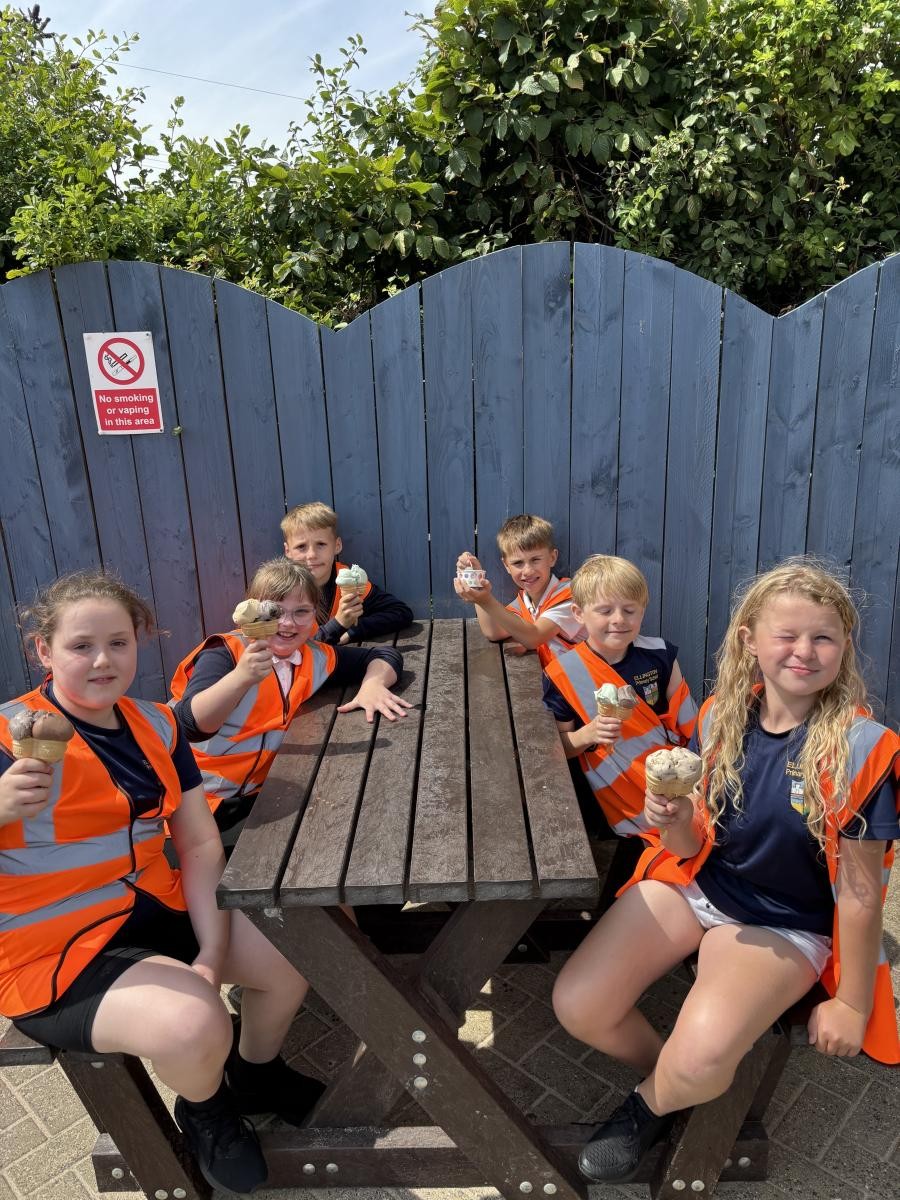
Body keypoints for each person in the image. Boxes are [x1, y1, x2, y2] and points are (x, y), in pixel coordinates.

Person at [551, 558, 900, 1184]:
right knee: (581, 1005)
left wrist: (852, 1002)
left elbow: (862, 893)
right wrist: (672, 816)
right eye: (786, 635)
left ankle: (651, 1104)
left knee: (703, 1059)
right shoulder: (720, 717)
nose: (804, 651)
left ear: (844, 647)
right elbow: (688, 844)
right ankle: (679, 1076)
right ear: (750, 641)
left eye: (823, 637)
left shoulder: (861, 747)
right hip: (701, 885)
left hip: (784, 922)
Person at [0, 570, 328, 1194]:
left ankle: (255, 1075)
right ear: (43, 650)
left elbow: (200, 842)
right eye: (80, 645)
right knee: (195, 1022)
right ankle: (206, 1110)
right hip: (50, 953)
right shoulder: (6, 734)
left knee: (294, 954)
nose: (103, 660)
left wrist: (210, 948)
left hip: (156, 906)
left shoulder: (156, 725)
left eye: (119, 643)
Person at [170, 558, 410, 846]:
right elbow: (191, 725)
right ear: (251, 613)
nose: (287, 623)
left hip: (259, 795)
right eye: (274, 612)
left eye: (301, 612)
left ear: (315, 616)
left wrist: (373, 684)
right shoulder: (226, 653)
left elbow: (384, 655)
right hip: (192, 802)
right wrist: (241, 678)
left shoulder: (313, 655)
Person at [542, 554, 697, 838]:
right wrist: (588, 734)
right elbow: (556, 748)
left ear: (642, 610)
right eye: (604, 611)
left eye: (629, 610)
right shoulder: (562, 673)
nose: (618, 620)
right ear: (578, 614)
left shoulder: (661, 655)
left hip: (675, 781)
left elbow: (691, 725)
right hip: (619, 797)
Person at [454, 514, 585, 667]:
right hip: (556, 682)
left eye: (535, 560)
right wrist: (477, 586)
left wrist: (485, 600)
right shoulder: (525, 600)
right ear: (506, 566)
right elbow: (493, 632)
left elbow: (534, 637)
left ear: (552, 557)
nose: (528, 571)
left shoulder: (570, 595)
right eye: (518, 563)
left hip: (588, 687)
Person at [281, 501, 413, 645]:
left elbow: (401, 612)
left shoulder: (349, 579)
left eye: (321, 544)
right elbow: (294, 646)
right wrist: (339, 624)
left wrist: (354, 631)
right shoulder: (281, 590)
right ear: (288, 551)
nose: (312, 555)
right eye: (301, 547)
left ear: (337, 546)